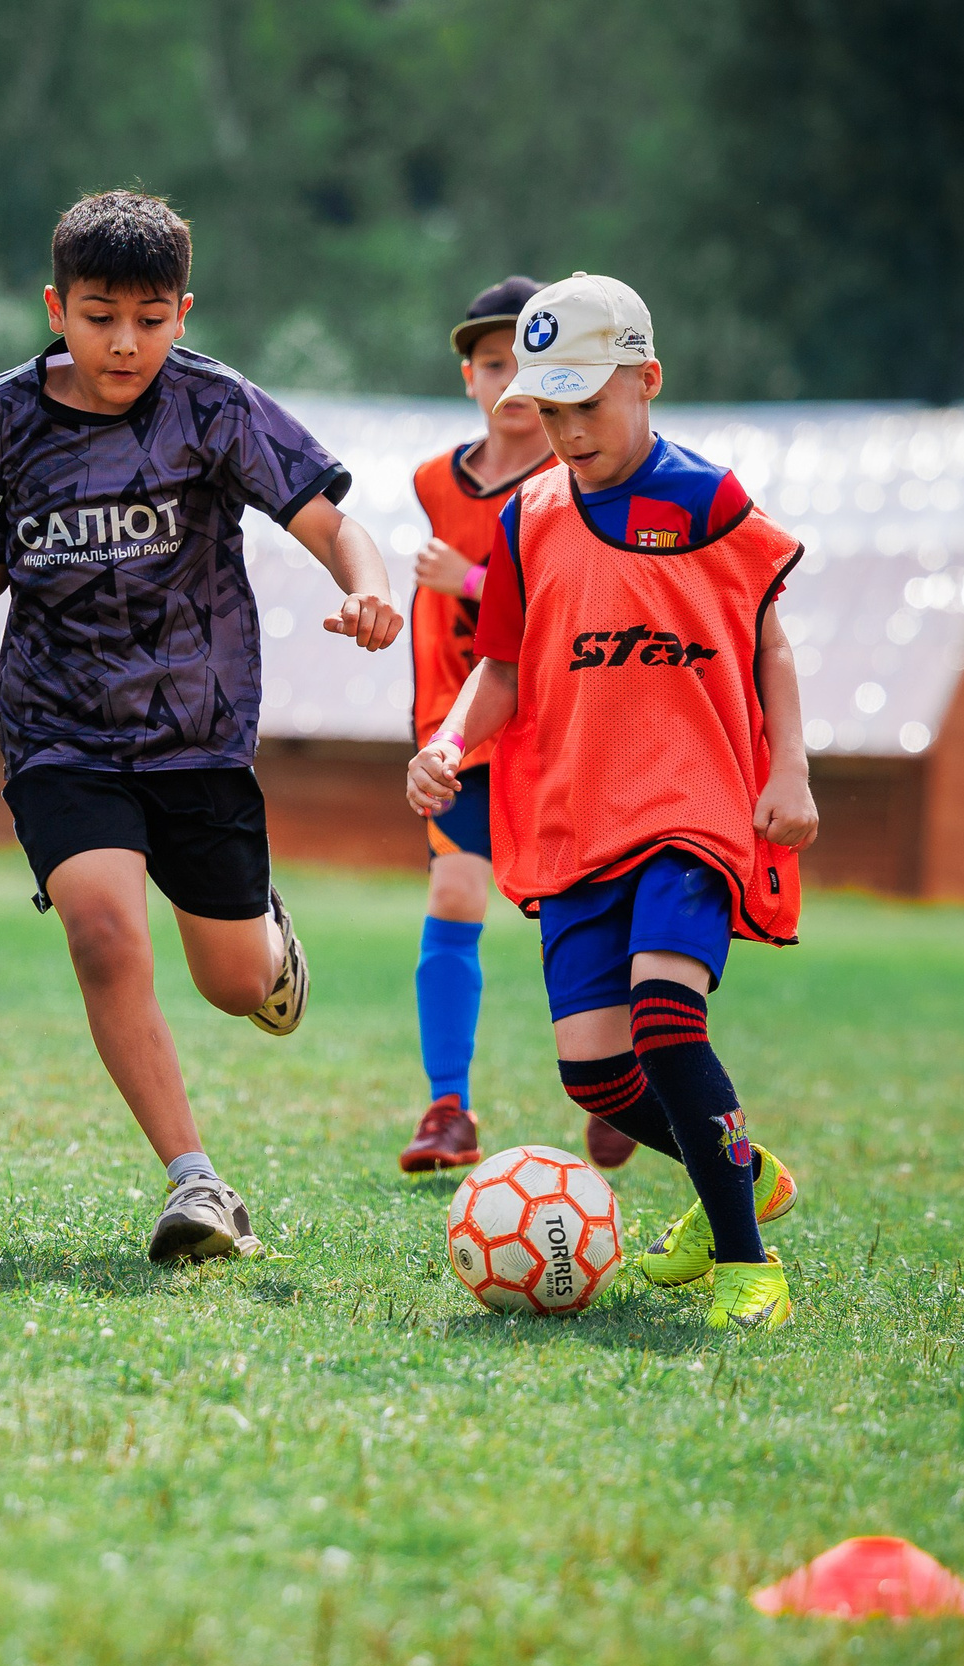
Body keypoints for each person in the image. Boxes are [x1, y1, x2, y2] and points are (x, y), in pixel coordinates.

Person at [0, 190, 402, 1264]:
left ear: (183, 312)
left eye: (151, 320)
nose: (125, 342)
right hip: (58, 727)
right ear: (55, 307)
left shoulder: (216, 408)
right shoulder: (3, 418)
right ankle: (197, 1185)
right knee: (104, 937)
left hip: (196, 733)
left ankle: (266, 942)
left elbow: (331, 523)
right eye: (100, 315)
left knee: (232, 985)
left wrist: (369, 590)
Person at [407, 273, 816, 1330]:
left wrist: (790, 771)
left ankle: (746, 1264)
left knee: (668, 1024)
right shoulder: (528, 518)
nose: (567, 430)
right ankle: (742, 1167)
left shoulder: (709, 500)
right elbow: (496, 668)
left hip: (691, 806)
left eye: (587, 404)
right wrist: (448, 745)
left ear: (648, 380)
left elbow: (768, 637)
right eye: (548, 408)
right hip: (576, 816)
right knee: (594, 1076)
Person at [397, 275, 561, 1174]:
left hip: (547, 731)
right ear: (468, 375)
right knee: (456, 895)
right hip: (454, 732)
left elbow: (562, 616)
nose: (513, 386)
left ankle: (620, 1081)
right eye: (495, 365)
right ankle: (447, 1107)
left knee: (572, 909)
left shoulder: (572, 488)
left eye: (533, 368)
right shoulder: (434, 479)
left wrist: (465, 580)